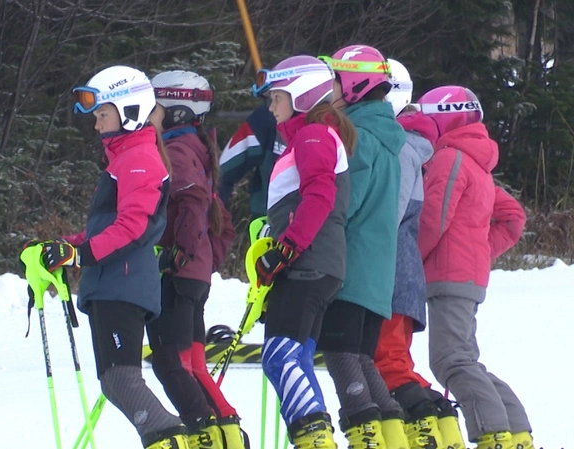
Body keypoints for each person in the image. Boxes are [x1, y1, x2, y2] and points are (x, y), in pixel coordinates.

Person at [33, 65, 189, 449]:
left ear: (130, 111)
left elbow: (132, 227)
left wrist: (80, 254)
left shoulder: (138, 159)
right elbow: (107, 225)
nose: (97, 124)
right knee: (115, 381)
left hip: (123, 283)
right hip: (112, 283)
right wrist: (65, 246)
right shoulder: (125, 159)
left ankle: (170, 437)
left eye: (102, 115)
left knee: (121, 380)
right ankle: (168, 436)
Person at [416, 85, 532, 449]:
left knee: (450, 360)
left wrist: (408, 260)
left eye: (429, 118)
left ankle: (492, 433)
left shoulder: (450, 158)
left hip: (449, 277)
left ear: (443, 119)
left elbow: (433, 218)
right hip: (464, 275)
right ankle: (515, 430)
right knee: (463, 359)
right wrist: (477, 250)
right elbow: (513, 217)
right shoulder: (475, 163)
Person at [249, 54, 356, 449]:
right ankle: (315, 439)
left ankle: (314, 440)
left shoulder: (312, 134)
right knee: (295, 358)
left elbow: (320, 193)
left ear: (299, 95)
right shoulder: (310, 135)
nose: (271, 106)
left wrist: (287, 248)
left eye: (276, 97)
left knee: (279, 357)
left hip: (307, 265)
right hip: (315, 264)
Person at [145, 70, 247, 449]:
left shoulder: (176, 150)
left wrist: (181, 254)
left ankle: (205, 434)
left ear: (175, 113)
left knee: (170, 363)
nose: (147, 117)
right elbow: (224, 225)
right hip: (193, 274)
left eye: (155, 109)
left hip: (179, 273)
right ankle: (229, 433)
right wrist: (204, 261)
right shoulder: (198, 150)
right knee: (192, 366)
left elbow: (192, 201)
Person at [315, 45, 409, 449]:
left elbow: (343, 205)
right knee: (359, 358)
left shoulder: (359, 140)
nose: (327, 89)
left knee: (340, 355)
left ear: (354, 86)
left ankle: (366, 435)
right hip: (373, 274)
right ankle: (392, 436)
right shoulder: (383, 137)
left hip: (349, 269)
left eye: (333, 81)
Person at [373, 58, 460, 449]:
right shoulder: (404, 143)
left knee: (388, 365)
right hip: (395, 276)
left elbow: (387, 217)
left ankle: (429, 432)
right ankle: (441, 429)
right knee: (394, 364)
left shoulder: (400, 147)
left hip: (389, 277)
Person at [218, 102, 284, 219]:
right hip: (270, 219)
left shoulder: (268, 114)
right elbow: (224, 170)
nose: (272, 106)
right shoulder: (268, 115)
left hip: (271, 217)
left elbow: (223, 170)